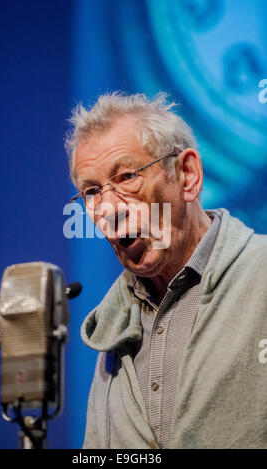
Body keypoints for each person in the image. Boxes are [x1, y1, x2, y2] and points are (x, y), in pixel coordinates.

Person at [65, 92, 267, 449]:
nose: (108, 209)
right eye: (92, 192)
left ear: (187, 175)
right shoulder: (113, 330)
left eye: (127, 176)